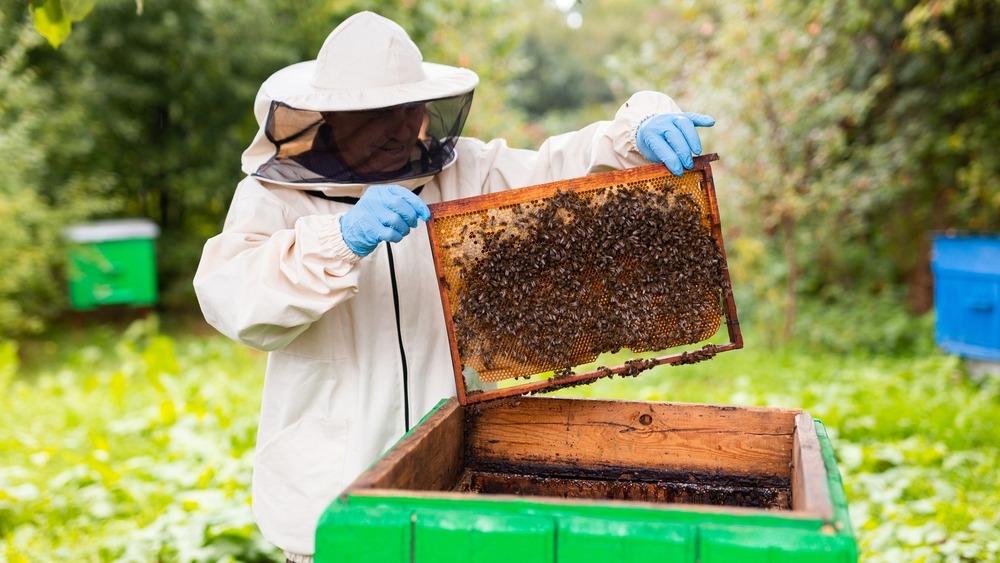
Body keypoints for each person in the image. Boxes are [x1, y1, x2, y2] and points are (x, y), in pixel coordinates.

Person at [193, 11, 714, 563]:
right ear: (334, 116)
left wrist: (639, 129)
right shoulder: (273, 197)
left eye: (408, 109)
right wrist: (339, 239)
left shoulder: (467, 171)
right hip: (331, 494)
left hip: (455, 473)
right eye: (377, 116)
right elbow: (233, 298)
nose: (399, 129)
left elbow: (565, 167)